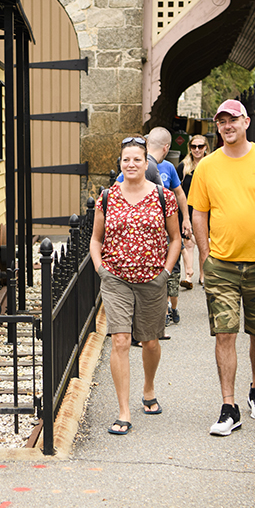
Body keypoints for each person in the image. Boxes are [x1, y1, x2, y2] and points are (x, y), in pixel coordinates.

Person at [188, 99, 255, 437]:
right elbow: (198, 214)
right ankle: (228, 406)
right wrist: (206, 257)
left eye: (232, 120)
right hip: (222, 264)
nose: (227, 126)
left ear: (246, 122)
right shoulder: (207, 166)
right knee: (225, 332)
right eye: (221, 121)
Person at [90, 135, 181, 436]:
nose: (131, 164)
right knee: (120, 341)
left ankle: (149, 387)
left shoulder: (163, 197)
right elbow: (96, 239)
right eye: (126, 159)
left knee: (151, 341)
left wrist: (165, 273)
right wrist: (101, 269)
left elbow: (176, 239)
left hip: (152, 279)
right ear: (120, 163)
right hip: (115, 278)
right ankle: (123, 411)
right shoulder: (107, 197)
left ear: (147, 163)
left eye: (137, 159)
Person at [116, 127, 192, 324]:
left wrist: (185, 219)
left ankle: (164, 310)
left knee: (169, 268)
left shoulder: (167, 168)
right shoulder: (139, 167)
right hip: (142, 234)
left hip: (165, 229)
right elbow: (116, 191)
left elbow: (178, 194)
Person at [176, 134, 209, 289]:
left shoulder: (211, 165)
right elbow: (177, 190)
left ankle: (203, 275)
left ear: (205, 148)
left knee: (204, 242)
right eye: (194, 146)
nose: (197, 150)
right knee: (188, 242)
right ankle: (188, 276)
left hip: (205, 209)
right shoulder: (183, 167)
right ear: (189, 148)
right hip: (188, 209)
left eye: (200, 146)